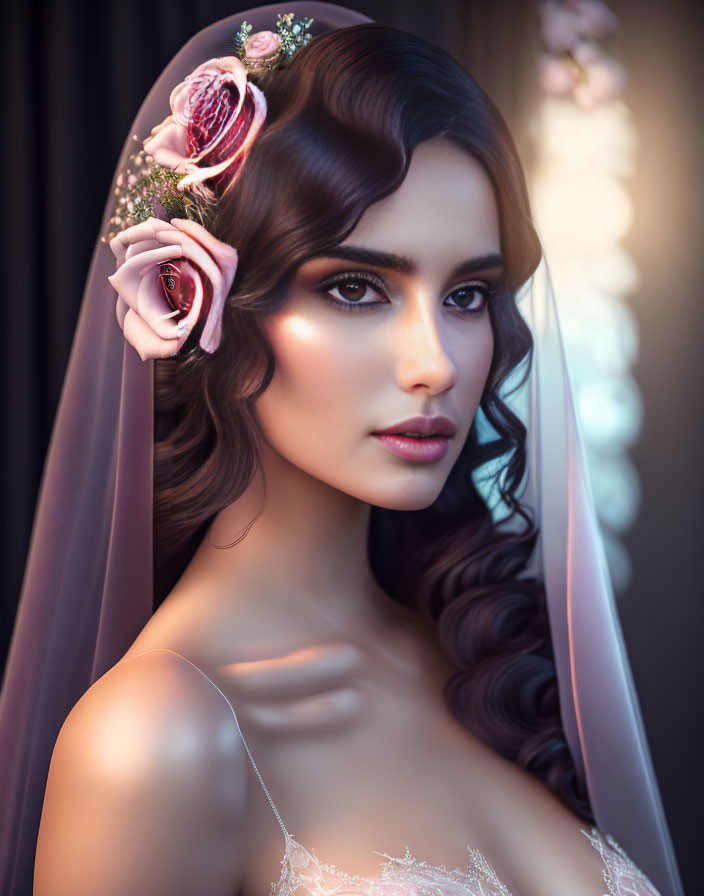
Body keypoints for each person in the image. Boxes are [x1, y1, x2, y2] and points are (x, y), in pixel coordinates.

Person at [0, 4, 684, 895]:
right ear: (206, 301)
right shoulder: (154, 741)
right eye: (357, 287)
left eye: (468, 295)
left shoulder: (479, 654)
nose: (434, 364)